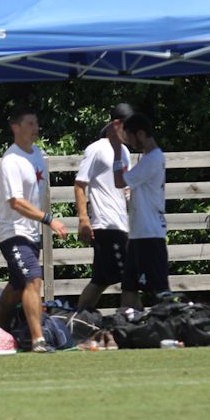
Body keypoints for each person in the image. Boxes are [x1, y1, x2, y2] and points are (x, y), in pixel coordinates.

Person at [0, 108, 68, 352]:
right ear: (16, 127)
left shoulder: (38, 154)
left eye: (36, 122)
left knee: (17, 286)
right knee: (33, 278)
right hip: (13, 232)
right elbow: (16, 202)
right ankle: (38, 340)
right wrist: (49, 219)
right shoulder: (11, 160)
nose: (36, 127)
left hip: (31, 232)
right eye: (30, 123)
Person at [75, 104, 135, 310]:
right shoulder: (96, 149)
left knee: (100, 281)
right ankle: (133, 321)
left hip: (121, 224)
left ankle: (77, 320)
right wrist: (84, 219)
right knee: (130, 279)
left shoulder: (124, 151)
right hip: (105, 224)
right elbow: (80, 184)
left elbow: (126, 188)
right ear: (116, 124)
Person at [106, 112, 168, 308]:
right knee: (129, 287)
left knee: (159, 291)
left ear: (140, 134)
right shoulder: (150, 158)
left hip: (149, 234)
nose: (130, 143)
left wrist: (116, 150)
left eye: (130, 137)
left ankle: (171, 323)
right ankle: (127, 323)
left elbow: (119, 181)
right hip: (139, 233)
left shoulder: (153, 159)